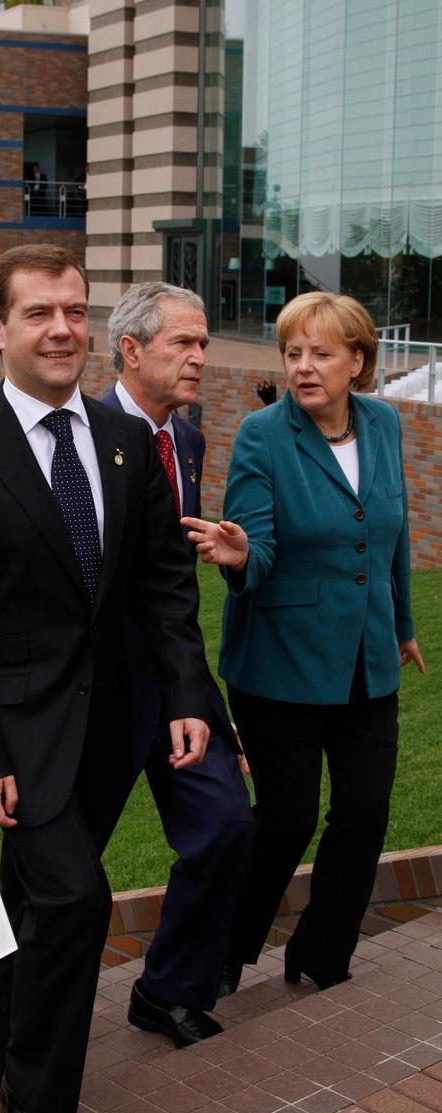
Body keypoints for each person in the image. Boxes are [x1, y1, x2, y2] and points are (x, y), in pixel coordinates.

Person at [0, 244, 212, 1113]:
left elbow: (162, 585)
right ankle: (38, 1104)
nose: (62, 330)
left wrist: (188, 695)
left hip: (110, 726)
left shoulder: (124, 444)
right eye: (39, 313)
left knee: (29, 900)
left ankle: (0, 1047)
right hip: (19, 735)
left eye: (75, 311)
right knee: (75, 902)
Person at [183, 291, 425, 995]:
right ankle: (223, 955)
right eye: (292, 353)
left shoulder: (381, 424)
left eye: (320, 353)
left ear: (357, 360)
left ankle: (321, 956)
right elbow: (255, 545)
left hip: (364, 661)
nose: (303, 367)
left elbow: (392, 533)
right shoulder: (263, 434)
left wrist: (402, 624)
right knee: (285, 821)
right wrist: (237, 556)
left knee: (364, 812)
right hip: (277, 662)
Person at [101, 282, 254, 1045]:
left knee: (225, 824)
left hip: (177, 687)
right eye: (183, 344)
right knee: (56, 880)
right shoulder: (85, 439)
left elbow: (172, 592)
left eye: (203, 343)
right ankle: (14, 1038)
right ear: (131, 351)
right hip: (94, 699)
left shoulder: (184, 441)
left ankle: (166, 990)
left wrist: (205, 704)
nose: (200, 357)